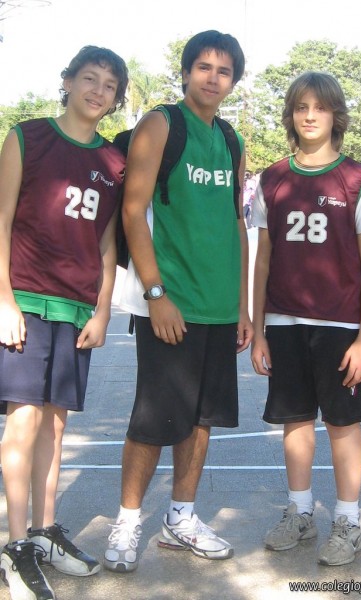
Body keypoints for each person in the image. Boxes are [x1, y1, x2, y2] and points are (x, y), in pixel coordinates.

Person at [103, 30, 252, 573]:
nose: (213, 78)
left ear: (233, 81)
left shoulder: (232, 139)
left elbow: (237, 223)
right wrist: (156, 293)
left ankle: (180, 519)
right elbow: (132, 211)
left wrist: (243, 307)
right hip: (170, 302)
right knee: (154, 420)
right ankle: (127, 521)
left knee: (201, 420)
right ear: (186, 72)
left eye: (224, 71)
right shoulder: (162, 123)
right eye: (204, 67)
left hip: (219, 305)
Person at [0, 45, 128, 600]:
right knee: (24, 420)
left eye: (109, 85)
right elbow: (1, 219)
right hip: (27, 299)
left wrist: (102, 308)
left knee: (55, 425)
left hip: (76, 307)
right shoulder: (28, 137)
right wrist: (4, 300)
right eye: (89, 78)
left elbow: (106, 243)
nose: (97, 91)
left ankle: (45, 530)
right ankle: (15, 545)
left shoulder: (113, 163)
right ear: (68, 80)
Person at [251, 72, 361, 567]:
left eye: (321, 107)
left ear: (335, 115)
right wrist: (259, 329)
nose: (310, 115)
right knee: (296, 419)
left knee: (343, 423)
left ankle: (348, 520)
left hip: (340, 325)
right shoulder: (273, 178)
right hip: (284, 322)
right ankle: (300, 511)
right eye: (301, 107)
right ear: (291, 114)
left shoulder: (357, 179)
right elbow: (263, 260)